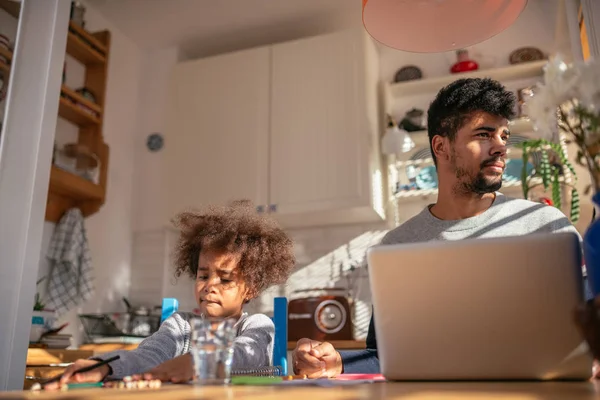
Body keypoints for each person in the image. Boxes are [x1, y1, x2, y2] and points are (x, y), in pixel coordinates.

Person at [292, 77, 589, 378]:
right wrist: (336, 361)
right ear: (441, 146)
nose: (501, 146)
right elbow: (386, 356)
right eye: (485, 134)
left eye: (503, 135)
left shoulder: (547, 226)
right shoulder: (398, 246)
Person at [47, 200, 296, 387]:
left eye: (226, 278)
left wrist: (195, 362)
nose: (210, 285)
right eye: (203, 275)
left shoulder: (257, 325)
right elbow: (149, 355)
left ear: (250, 288)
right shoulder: (180, 325)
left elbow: (249, 354)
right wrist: (104, 366)